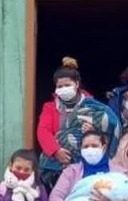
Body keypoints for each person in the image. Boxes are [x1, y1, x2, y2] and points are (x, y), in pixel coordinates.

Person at [37, 57, 120, 190]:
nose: (63, 89)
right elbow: (43, 131)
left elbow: (107, 129)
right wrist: (55, 151)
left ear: (77, 84)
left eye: (67, 85)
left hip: (86, 164)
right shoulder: (50, 107)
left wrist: (93, 132)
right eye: (60, 86)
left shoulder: (92, 106)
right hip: (58, 166)